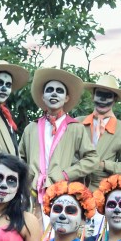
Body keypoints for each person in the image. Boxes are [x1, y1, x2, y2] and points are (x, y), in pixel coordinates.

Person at [19, 67, 98, 220]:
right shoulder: (31, 128)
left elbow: (92, 160)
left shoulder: (76, 128)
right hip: (32, 195)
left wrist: (65, 174)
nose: (54, 93)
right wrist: (31, 178)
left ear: (66, 98)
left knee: (57, 237)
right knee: (32, 235)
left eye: (59, 91)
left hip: (62, 195)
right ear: (43, 96)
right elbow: (20, 159)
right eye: (50, 90)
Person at [80, 75, 121, 191]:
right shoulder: (77, 123)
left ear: (115, 99)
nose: (103, 99)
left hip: (102, 194)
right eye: (100, 94)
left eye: (108, 96)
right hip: (74, 190)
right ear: (93, 96)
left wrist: (103, 165)